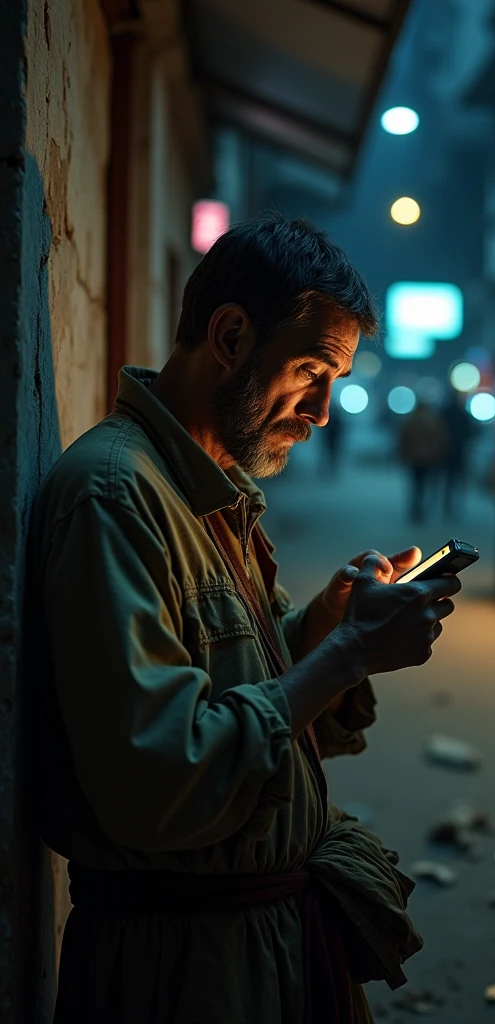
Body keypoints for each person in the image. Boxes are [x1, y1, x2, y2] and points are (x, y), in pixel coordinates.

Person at [29, 213, 462, 1024]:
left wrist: (327, 626)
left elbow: (238, 681)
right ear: (229, 336)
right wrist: (349, 655)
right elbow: (159, 777)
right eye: (310, 371)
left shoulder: (202, 486)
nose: (323, 412)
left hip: (253, 946)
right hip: (188, 972)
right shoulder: (116, 494)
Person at [398, 400, 448, 522]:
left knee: (416, 485)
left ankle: (415, 509)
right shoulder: (432, 421)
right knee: (426, 485)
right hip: (428, 458)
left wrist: (403, 454)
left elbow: (403, 439)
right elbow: (439, 439)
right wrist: (438, 454)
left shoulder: (410, 420)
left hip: (414, 458)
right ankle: (422, 510)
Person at [440, 389, 474, 516]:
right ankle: (454, 506)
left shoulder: (444, 413)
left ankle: (447, 505)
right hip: (459, 451)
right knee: (457, 480)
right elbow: (470, 432)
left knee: (446, 480)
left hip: (446, 452)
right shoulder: (463, 414)